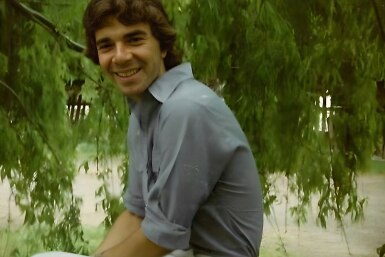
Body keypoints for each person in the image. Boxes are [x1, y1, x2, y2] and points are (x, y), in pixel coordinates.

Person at [33, 0, 263, 256]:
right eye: (106, 45)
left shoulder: (186, 109)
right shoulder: (145, 113)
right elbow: (136, 215)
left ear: (162, 46)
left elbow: (162, 236)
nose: (120, 56)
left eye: (134, 40)